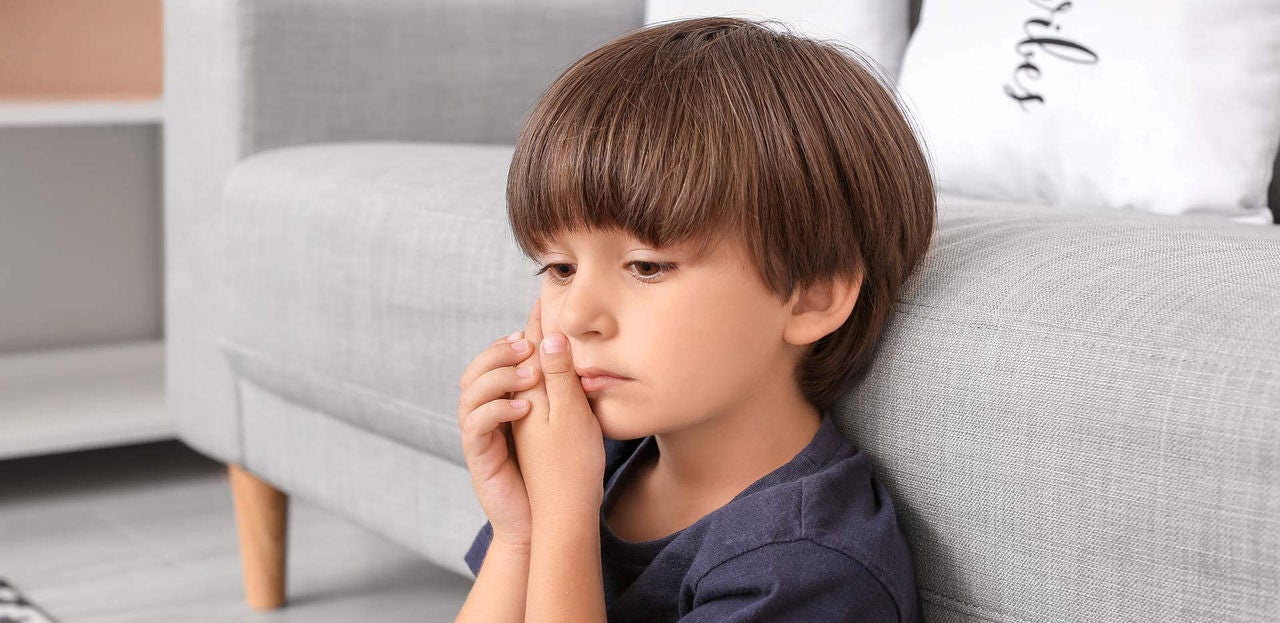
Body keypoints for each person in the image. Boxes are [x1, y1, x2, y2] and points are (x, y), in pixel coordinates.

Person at [454, 15, 935, 623]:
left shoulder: (806, 567)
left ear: (812, 296)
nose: (576, 317)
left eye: (648, 267)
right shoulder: (599, 462)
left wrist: (562, 520)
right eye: (558, 269)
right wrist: (519, 530)